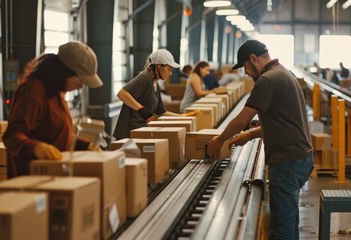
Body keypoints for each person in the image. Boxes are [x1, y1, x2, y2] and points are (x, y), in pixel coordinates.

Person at [207, 40, 314, 240]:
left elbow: (241, 120)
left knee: (281, 228)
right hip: (300, 158)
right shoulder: (282, 73)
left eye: (245, 67)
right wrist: (250, 135)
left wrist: (218, 140)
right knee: (288, 221)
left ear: (254, 59)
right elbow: (281, 122)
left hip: (287, 162)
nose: (246, 73)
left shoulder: (267, 80)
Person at [3, 41, 103, 177]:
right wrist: (36, 147)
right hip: (32, 178)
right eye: (80, 81)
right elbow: (12, 136)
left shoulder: (57, 92)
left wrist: (84, 146)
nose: (81, 87)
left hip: (55, 174)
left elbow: (55, 133)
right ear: (64, 72)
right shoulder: (33, 91)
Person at [113, 49, 199, 140]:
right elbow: (122, 93)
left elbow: (161, 112)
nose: (170, 73)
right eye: (169, 69)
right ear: (159, 67)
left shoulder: (155, 83)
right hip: (128, 133)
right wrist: (141, 109)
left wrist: (182, 117)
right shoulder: (145, 77)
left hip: (139, 130)